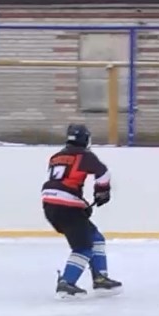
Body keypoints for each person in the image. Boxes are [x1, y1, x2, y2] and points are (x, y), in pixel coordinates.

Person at [42, 124, 120, 298]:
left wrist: (81, 204)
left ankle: (100, 277)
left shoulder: (56, 157)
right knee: (83, 247)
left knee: (95, 238)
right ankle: (67, 283)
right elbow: (103, 173)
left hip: (49, 204)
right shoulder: (85, 156)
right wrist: (101, 193)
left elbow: (61, 183)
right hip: (67, 205)